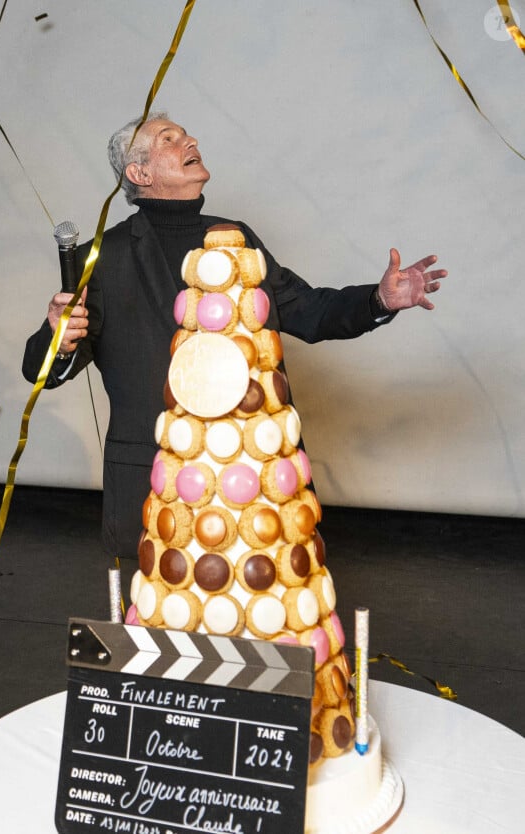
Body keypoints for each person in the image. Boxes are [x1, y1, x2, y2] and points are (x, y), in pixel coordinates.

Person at [22, 113, 447, 559]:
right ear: (139, 173)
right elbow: (44, 372)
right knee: (166, 620)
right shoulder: (102, 256)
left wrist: (378, 300)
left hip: (249, 471)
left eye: (185, 133)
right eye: (170, 138)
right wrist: (58, 337)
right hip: (159, 477)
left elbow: (307, 311)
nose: (190, 140)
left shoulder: (237, 238)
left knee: (256, 612)